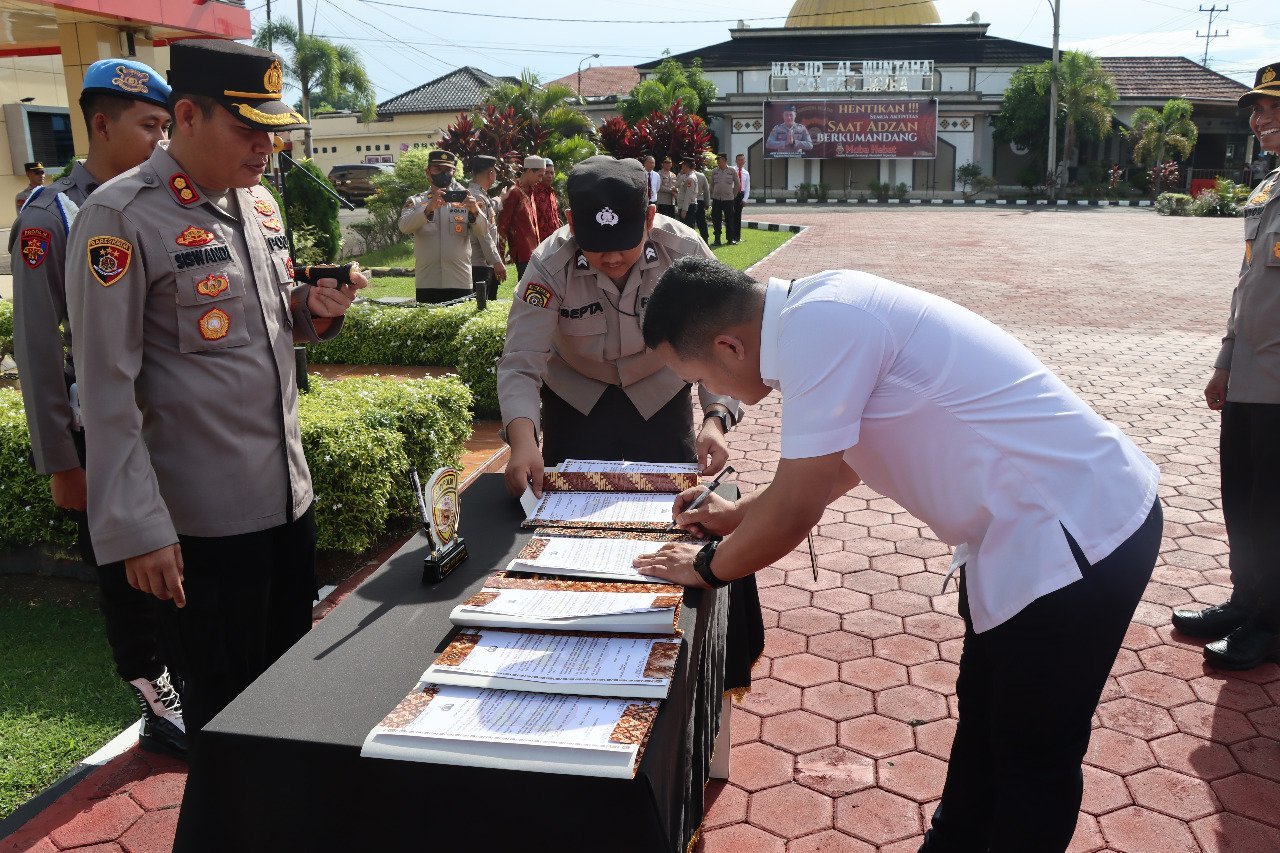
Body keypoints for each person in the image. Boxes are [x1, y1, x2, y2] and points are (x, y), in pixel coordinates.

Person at [636, 258, 1161, 852]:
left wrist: (704, 568)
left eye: (703, 378)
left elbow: (794, 512)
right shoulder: (816, 312)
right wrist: (734, 515)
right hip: (1028, 534)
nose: (720, 395)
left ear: (730, 346)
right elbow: (838, 464)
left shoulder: (820, 329)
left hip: (1076, 533)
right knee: (986, 719)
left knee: (1032, 754)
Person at [64, 39, 365, 753]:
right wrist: (139, 527)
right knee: (227, 724)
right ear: (188, 116)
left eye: (273, 131)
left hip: (286, 502)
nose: (266, 147)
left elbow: (262, 321)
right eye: (247, 129)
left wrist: (313, 310)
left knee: (287, 705)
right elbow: (105, 389)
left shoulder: (256, 203)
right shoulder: (121, 216)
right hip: (202, 526)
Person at [497, 155, 762, 696]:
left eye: (625, 243)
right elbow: (521, 360)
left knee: (671, 522)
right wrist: (523, 440)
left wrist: (715, 419)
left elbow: (725, 341)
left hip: (660, 394)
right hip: (577, 398)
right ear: (572, 226)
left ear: (650, 217)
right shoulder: (549, 263)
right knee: (567, 527)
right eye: (597, 246)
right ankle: (578, 635)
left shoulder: (684, 251)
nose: (613, 257)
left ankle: (667, 645)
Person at [9, 58, 187, 758]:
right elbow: (36, 346)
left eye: (166, 126)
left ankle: (189, 676)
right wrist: (62, 461)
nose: (160, 139)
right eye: (148, 125)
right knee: (123, 571)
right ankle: (156, 696)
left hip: (165, 428)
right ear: (102, 125)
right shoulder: (50, 215)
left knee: (175, 563)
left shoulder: (160, 200)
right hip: (100, 435)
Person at [1174, 61, 1280, 670]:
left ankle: (1270, 623)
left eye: (1274, 108)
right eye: (1259, 110)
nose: (1261, 119)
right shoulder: (1268, 189)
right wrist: (1224, 362)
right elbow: (1249, 286)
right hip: (1250, 381)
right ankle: (1246, 602)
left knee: (1274, 510)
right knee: (1241, 499)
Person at [399, 149, 495, 304]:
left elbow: (484, 231)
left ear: (453, 172)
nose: (443, 174)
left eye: (447, 170)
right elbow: (404, 227)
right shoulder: (416, 201)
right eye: (438, 169)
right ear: (428, 172)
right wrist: (428, 209)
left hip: (460, 279)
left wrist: (474, 211)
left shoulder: (467, 199)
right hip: (427, 280)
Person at [467, 154, 507, 306]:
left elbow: (490, 208)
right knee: (482, 307)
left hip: (480, 263)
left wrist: (501, 198)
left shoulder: (478, 194)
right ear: (491, 174)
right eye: (495, 172)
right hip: (480, 264)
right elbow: (483, 234)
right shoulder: (477, 197)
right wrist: (496, 261)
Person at [497, 155, 543, 279]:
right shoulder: (514, 192)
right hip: (523, 253)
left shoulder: (531, 191)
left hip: (534, 252)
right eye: (539, 175)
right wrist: (499, 257)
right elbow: (502, 225)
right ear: (529, 171)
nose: (540, 179)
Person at [709, 153, 740, 247]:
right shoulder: (714, 171)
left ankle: (730, 239)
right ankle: (717, 240)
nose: (718, 162)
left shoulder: (732, 171)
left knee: (729, 219)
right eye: (717, 160)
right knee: (716, 219)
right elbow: (711, 185)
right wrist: (712, 195)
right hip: (717, 199)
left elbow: (737, 184)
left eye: (719, 160)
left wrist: (733, 195)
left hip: (728, 199)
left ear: (724, 160)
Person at [533, 157, 561, 240]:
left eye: (552, 173)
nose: (550, 176)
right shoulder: (533, 192)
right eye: (547, 173)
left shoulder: (551, 192)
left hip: (554, 240)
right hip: (540, 241)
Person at [676, 157, 699, 232]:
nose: (682, 167)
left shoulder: (690, 178)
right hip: (683, 205)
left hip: (688, 207)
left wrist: (684, 210)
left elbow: (688, 195)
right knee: (683, 230)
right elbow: (677, 184)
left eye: (683, 165)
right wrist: (680, 173)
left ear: (686, 165)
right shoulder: (685, 176)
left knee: (688, 229)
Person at [732, 152, 750, 244]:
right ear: (736, 161)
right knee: (731, 216)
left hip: (740, 195)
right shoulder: (732, 170)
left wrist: (745, 199)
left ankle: (737, 237)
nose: (740, 161)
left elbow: (747, 188)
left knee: (738, 216)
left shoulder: (746, 173)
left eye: (742, 160)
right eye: (738, 160)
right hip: (732, 195)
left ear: (744, 161)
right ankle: (731, 237)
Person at [694, 161, 711, 242]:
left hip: (690, 201)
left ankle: (692, 240)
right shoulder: (701, 175)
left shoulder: (684, 175)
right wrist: (707, 203)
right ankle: (705, 239)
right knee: (701, 221)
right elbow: (706, 191)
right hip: (700, 200)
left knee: (690, 221)